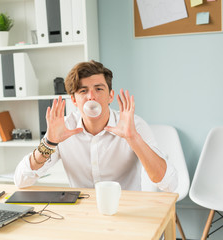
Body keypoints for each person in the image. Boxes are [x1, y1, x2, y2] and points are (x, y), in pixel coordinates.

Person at [14, 60, 178, 191]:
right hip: (84, 215)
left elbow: (169, 184)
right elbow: (21, 180)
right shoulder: (63, 128)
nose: (91, 97)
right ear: (74, 100)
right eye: (83, 91)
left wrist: (133, 138)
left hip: (126, 212)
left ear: (110, 96)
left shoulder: (133, 125)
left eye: (99, 89)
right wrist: (49, 143)